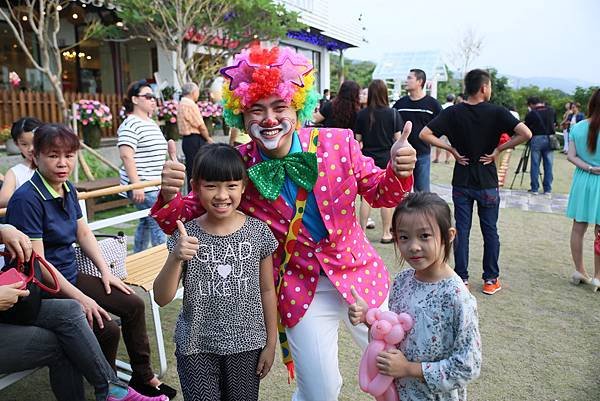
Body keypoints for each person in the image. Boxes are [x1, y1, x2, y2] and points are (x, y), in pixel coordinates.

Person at [150, 44, 417, 401]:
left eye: (280, 107)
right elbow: (189, 215)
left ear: (299, 108)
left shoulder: (339, 144)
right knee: (321, 390)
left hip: (357, 274)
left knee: (397, 368)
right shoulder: (238, 165)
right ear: (241, 116)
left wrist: (398, 170)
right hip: (299, 287)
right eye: (257, 110)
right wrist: (168, 195)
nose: (270, 119)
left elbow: (380, 195)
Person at [5, 124, 176, 400]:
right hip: (42, 287)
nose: (63, 163)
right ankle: (109, 390)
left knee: (132, 303)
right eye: (53, 155)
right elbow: (39, 267)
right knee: (106, 328)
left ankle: (142, 377)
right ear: (35, 156)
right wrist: (83, 299)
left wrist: (106, 273)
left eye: (69, 155)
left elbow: (83, 232)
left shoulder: (66, 188)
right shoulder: (27, 199)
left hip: (69, 274)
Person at [153, 144, 278, 401]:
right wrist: (177, 256)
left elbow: (267, 290)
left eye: (231, 185)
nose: (222, 195)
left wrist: (271, 342)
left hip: (247, 345)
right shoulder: (185, 233)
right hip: (196, 346)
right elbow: (161, 297)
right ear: (195, 186)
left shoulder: (259, 232)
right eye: (211, 186)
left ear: (243, 186)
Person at [0, 227, 169, 401]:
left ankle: (115, 389)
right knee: (64, 341)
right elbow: (41, 264)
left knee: (72, 309)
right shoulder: (28, 200)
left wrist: (4, 229)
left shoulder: (62, 199)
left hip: (14, 300)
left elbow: (84, 233)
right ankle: (114, 391)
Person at [348, 192, 481, 400]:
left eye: (425, 236)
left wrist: (408, 368)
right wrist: (368, 319)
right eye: (404, 237)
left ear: (450, 235)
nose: (413, 246)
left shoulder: (457, 297)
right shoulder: (403, 281)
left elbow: (468, 366)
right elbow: (396, 336)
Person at [419, 69, 532, 294]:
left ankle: (461, 278)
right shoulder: (498, 112)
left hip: (462, 179)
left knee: (461, 229)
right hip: (487, 180)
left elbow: (425, 134)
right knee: (490, 230)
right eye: (489, 86)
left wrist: (450, 148)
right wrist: (499, 149)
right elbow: (526, 133)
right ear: (483, 88)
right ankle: (491, 279)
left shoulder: (453, 112)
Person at [118, 80, 167, 252]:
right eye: (147, 96)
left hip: (153, 183)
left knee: (146, 221)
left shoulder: (150, 122)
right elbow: (126, 155)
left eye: (153, 97)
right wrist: (136, 185)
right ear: (135, 100)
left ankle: (137, 254)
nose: (152, 100)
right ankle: (162, 260)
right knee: (157, 222)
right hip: (143, 185)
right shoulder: (130, 123)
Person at [354, 79, 404, 243]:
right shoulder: (393, 114)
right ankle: (386, 233)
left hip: (367, 158)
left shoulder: (362, 114)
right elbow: (398, 139)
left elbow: (358, 139)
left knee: (366, 197)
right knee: (386, 197)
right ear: (384, 93)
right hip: (386, 159)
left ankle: (362, 232)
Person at [565, 89, 600, 290]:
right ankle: (597, 276)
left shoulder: (578, 127)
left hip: (583, 180)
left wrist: (589, 167)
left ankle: (580, 270)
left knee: (578, 228)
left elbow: (571, 156)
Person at [392, 69, 443, 191]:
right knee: (401, 192)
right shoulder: (399, 104)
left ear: (420, 81)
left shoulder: (433, 105)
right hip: (402, 155)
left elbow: (442, 125)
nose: (406, 81)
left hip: (422, 155)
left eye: (410, 78)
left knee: (422, 193)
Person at [177, 82, 213, 189]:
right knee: (198, 169)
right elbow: (200, 125)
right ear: (193, 92)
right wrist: (208, 138)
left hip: (187, 140)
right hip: (194, 139)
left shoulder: (181, 103)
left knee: (191, 169)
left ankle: (192, 193)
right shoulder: (189, 104)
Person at [0, 117, 42, 208]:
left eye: (35, 142)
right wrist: (33, 200)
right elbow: (3, 200)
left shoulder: (50, 165)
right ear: (16, 144)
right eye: (24, 144)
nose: (31, 149)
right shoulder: (14, 173)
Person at [523, 97, 557, 195]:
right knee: (549, 164)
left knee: (535, 164)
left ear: (531, 104)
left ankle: (534, 188)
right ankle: (547, 189)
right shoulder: (551, 110)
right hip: (550, 139)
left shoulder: (531, 113)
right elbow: (555, 124)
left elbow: (526, 127)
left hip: (536, 138)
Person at [432, 94, 455, 164]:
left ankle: (437, 158)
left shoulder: (442, 106)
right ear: (453, 100)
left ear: (446, 99)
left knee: (439, 143)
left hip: (442, 128)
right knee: (449, 144)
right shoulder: (455, 107)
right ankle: (447, 159)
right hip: (451, 128)